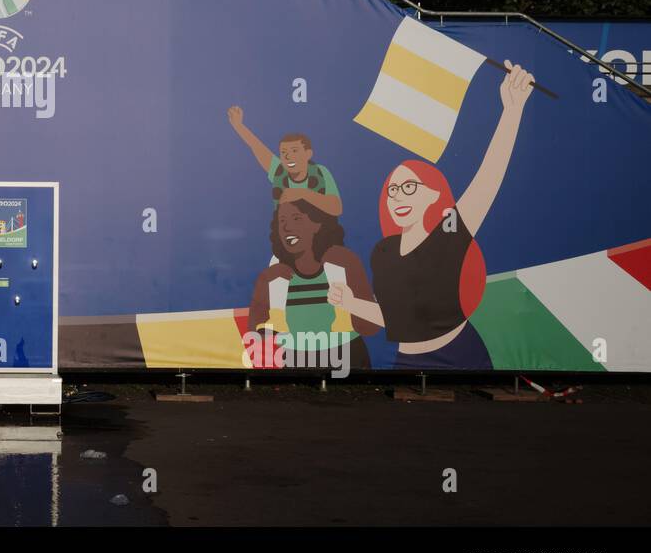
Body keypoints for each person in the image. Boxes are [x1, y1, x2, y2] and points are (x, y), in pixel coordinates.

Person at [331, 61, 536, 370]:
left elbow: (488, 179)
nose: (398, 195)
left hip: (463, 354)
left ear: (434, 195)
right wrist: (350, 303)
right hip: (407, 362)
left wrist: (512, 110)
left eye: (410, 186)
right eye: (393, 189)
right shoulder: (383, 252)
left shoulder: (448, 234)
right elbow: (396, 316)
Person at [248, 198, 379, 369]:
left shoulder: (343, 260)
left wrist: (348, 302)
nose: (287, 228)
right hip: (295, 359)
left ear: (317, 224)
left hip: (347, 356)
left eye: (297, 218)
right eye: (282, 222)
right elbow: (255, 335)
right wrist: (264, 282)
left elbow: (370, 328)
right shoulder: (275, 272)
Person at [227, 106, 342, 216]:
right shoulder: (279, 171)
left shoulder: (320, 172)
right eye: (284, 152)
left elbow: (336, 208)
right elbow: (256, 146)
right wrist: (238, 125)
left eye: (294, 151)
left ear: (308, 154)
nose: (288, 157)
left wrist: (301, 193)